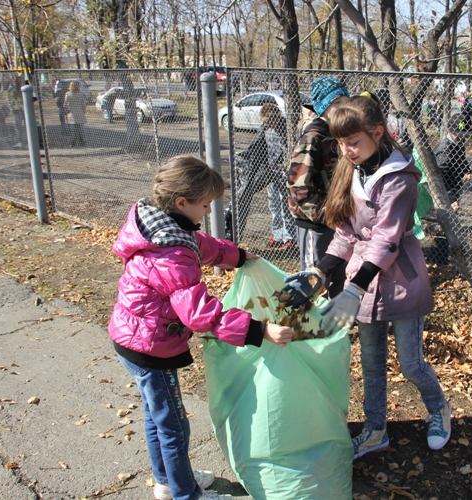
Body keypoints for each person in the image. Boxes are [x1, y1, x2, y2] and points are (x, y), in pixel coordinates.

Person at [109, 155, 292, 500]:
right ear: (182, 202)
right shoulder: (171, 253)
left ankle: (166, 482)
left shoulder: (158, 223)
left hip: (132, 336)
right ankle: (186, 494)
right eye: (205, 205)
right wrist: (259, 330)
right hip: (151, 346)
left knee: (156, 416)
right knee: (174, 426)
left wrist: (236, 256)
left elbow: (200, 245)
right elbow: (200, 315)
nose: (209, 211)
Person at [281, 96, 451, 459]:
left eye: (353, 142)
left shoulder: (399, 178)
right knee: (372, 365)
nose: (346, 150)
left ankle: (438, 409)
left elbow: (386, 241)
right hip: (364, 279)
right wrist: (320, 272)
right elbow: (344, 234)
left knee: (411, 364)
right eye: (341, 142)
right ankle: (375, 430)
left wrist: (353, 289)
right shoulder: (352, 169)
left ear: (377, 133)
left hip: (401, 279)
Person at [286, 76, 350, 298]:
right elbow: (299, 185)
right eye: (338, 103)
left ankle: (334, 326)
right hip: (315, 222)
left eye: (346, 101)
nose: (344, 107)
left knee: (337, 275)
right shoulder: (313, 137)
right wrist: (324, 216)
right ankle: (311, 326)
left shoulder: (338, 133)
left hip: (336, 218)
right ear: (324, 106)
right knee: (314, 278)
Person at [228, 103, 295, 247]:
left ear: (276, 117)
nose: (267, 125)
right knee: (274, 204)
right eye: (264, 122)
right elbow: (257, 146)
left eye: (269, 122)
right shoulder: (265, 128)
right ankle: (278, 235)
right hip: (270, 172)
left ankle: (289, 236)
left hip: (283, 172)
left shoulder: (286, 128)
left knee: (286, 205)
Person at [433, 112, 472, 202]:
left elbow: (462, 160)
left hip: (456, 186)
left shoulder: (459, 144)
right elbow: (444, 179)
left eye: (465, 135)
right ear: (450, 131)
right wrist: (452, 199)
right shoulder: (445, 150)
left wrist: (466, 170)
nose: (463, 138)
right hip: (447, 192)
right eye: (459, 135)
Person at [64, 81, 88, 147]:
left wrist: (67, 111)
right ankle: (83, 142)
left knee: (73, 131)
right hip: (80, 113)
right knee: (81, 129)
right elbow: (84, 104)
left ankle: (72, 143)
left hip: (71, 113)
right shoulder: (81, 94)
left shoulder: (68, 94)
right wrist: (83, 111)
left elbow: (65, 105)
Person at [8, 77, 24, 148]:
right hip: (20, 109)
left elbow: (11, 100)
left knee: (18, 126)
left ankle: (20, 141)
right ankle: (22, 141)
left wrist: (13, 107)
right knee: (20, 126)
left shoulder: (15, 89)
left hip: (18, 110)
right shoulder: (20, 89)